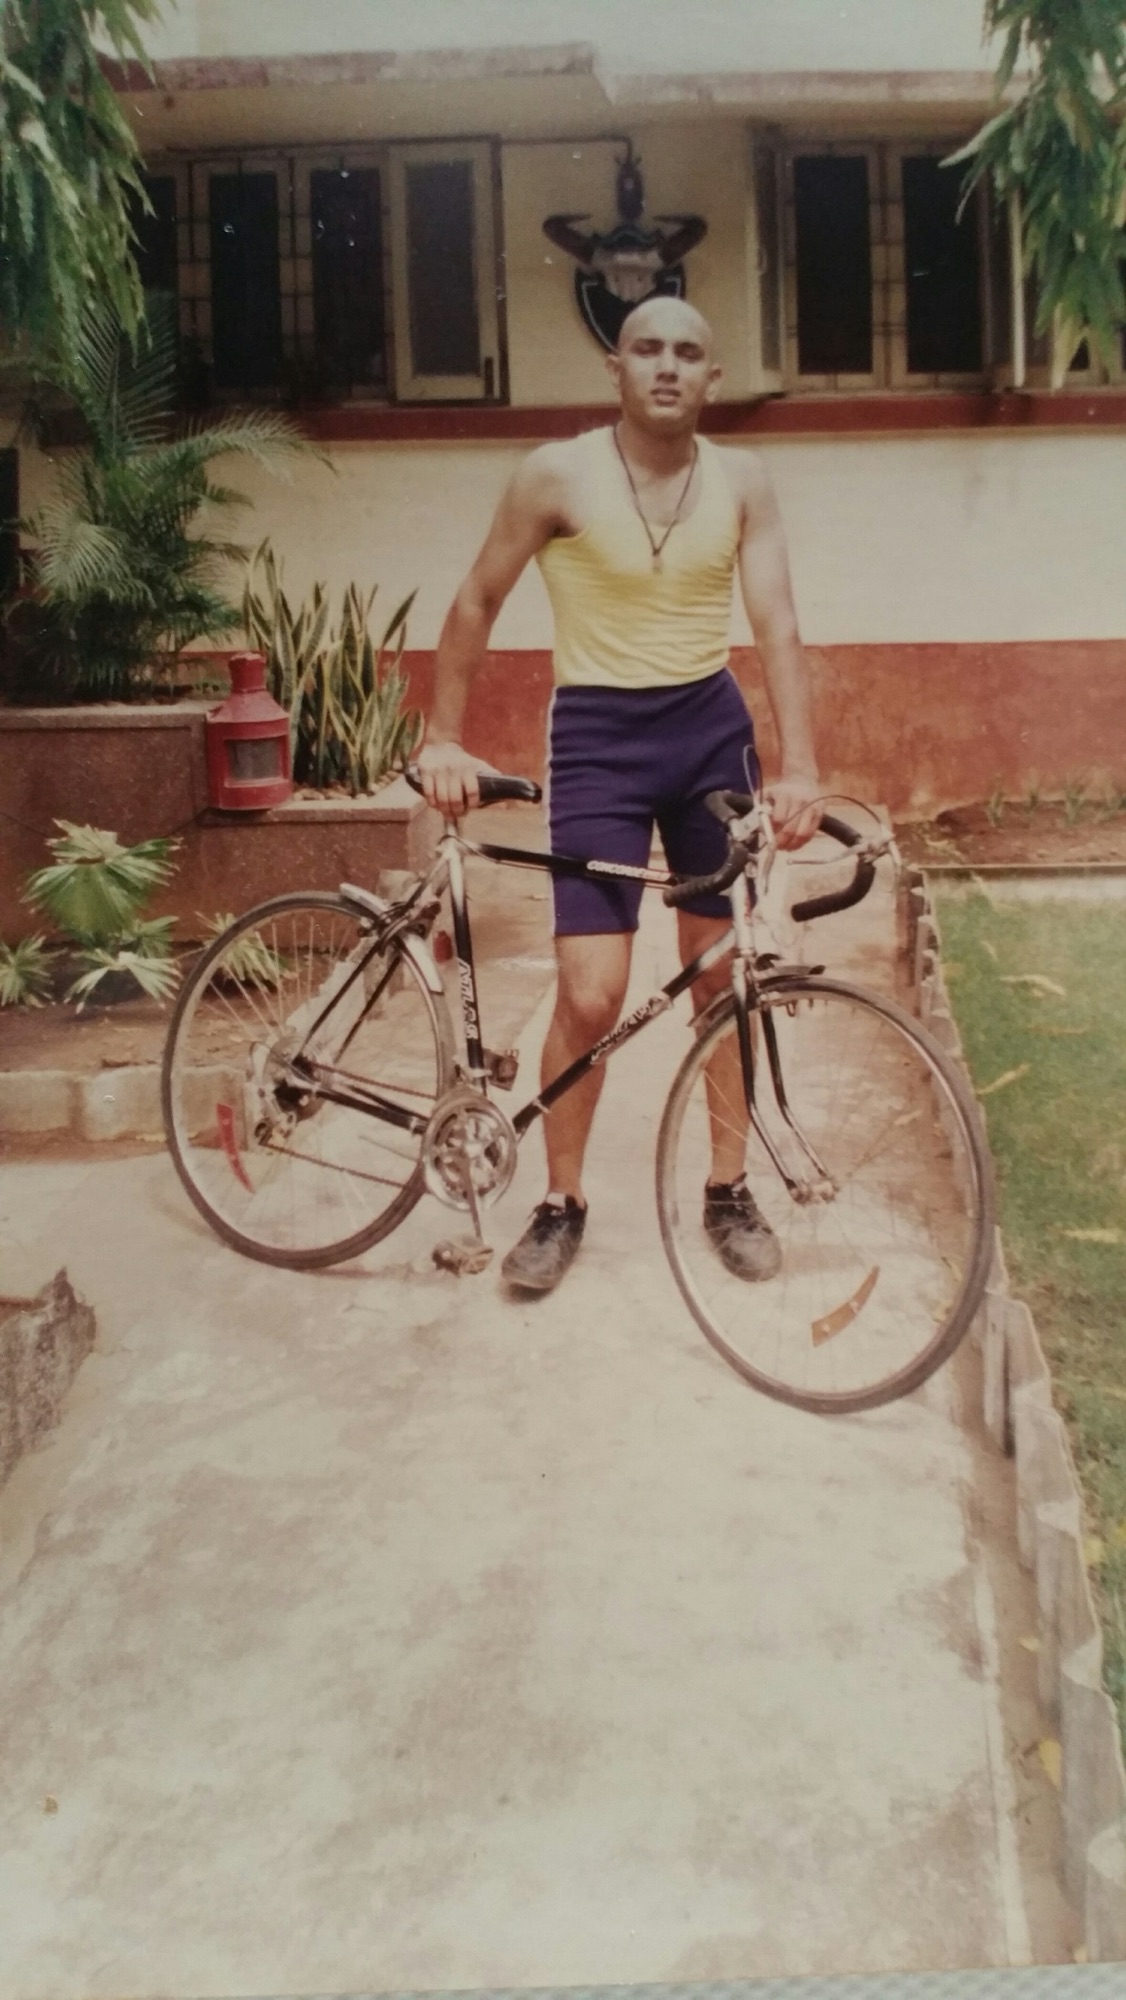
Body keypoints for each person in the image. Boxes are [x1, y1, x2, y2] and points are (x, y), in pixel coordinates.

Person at [418, 295, 821, 1294]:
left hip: (706, 734)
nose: (668, 367)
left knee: (718, 972)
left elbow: (773, 619)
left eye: (689, 351)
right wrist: (440, 736)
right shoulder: (556, 473)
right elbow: (476, 598)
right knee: (591, 992)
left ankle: (727, 1187)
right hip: (597, 737)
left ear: (713, 376)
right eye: (648, 348)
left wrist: (802, 763)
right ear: (616, 366)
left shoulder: (743, 480)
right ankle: (560, 1200)